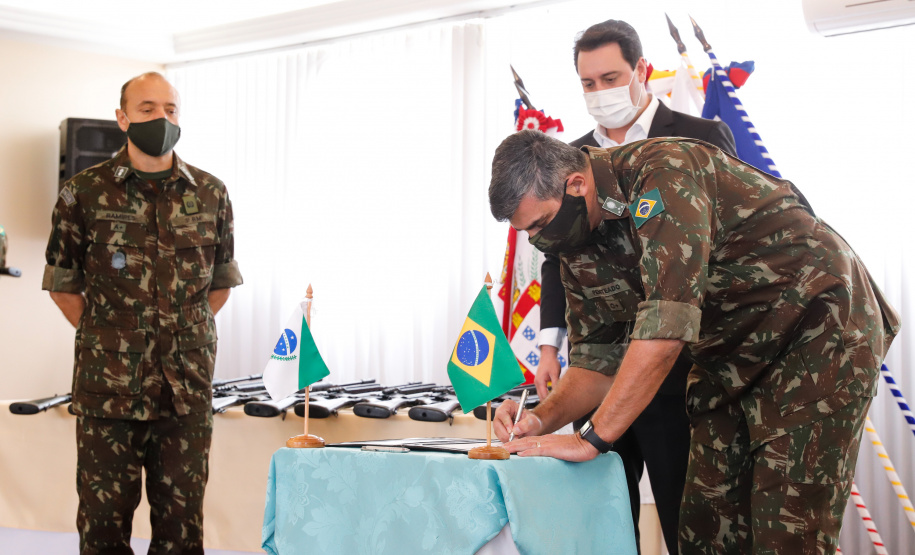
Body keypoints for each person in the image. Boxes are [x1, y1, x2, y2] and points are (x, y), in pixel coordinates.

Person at [489, 130, 899, 554]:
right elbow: (597, 360)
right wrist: (539, 419)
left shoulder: (662, 172)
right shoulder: (575, 238)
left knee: (787, 532)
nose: (541, 241)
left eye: (540, 225)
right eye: (529, 233)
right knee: (705, 529)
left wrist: (590, 438)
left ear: (576, 185)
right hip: (728, 355)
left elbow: (666, 326)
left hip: (814, 333)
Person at [535, 19, 736, 553]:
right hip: (600, 362)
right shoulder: (569, 160)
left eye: (610, 78)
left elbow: (725, 250)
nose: (599, 94)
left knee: (681, 508)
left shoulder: (698, 136)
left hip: (681, 365)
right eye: (587, 84)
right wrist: (549, 344)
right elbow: (558, 261)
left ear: (642, 71)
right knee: (601, 510)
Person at [43, 72, 243, 554]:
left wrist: (173, 337)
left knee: (181, 533)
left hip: (185, 394)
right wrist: (116, 339)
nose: (161, 118)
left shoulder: (211, 193)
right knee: (103, 532)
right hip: (108, 396)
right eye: (148, 108)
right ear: (123, 117)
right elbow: (64, 287)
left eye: (170, 109)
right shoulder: (83, 194)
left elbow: (218, 286)